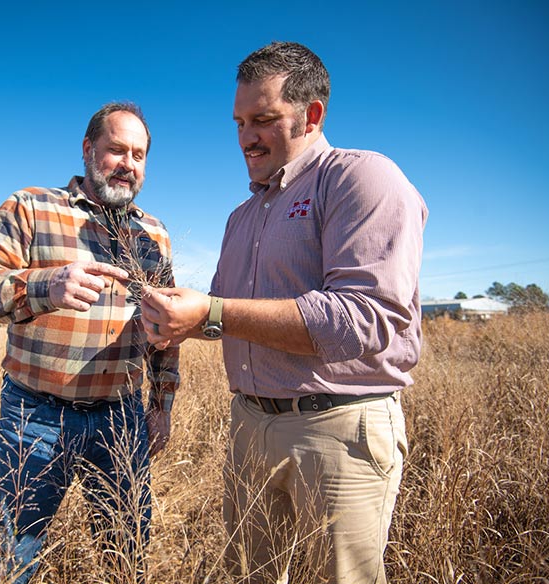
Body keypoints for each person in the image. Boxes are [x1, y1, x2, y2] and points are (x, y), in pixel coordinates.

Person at [141, 42, 427, 583]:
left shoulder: (360, 178)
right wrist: (176, 313)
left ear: (311, 114)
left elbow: (364, 318)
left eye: (264, 119)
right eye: (240, 121)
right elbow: (221, 315)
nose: (247, 137)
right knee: (251, 572)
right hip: (250, 423)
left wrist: (212, 311)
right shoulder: (242, 215)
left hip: (337, 428)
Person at [0, 102, 179, 583]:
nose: (128, 164)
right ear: (87, 149)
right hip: (35, 414)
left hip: (121, 419)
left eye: (139, 155)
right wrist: (45, 286)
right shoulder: (30, 207)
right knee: (12, 557)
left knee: (126, 555)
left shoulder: (154, 236)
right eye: (116, 150)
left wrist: (161, 403)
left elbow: (167, 329)